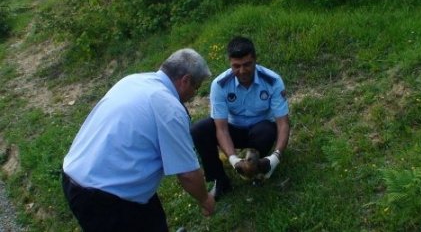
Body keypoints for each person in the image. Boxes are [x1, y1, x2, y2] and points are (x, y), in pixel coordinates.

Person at [62, 48, 215, 231]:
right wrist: (205, 200)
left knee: (152, 217)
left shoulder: (132, 81)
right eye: (196, 87)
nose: (193, 95)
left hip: (74, 177)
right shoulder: (169, 107)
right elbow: (188, 174)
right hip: (105, 199)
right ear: (185, 80)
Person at [190, 36, 290, 200]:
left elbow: (283, 123)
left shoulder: (272, 80)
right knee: (199, 130)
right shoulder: (219, 84)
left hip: (260, 129)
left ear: (255, 60)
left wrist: (276, 156)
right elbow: (221, 128)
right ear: (229, 62)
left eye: (247, 65)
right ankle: (220, 179)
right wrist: (233, 159)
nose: (242, 71)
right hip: (233, 129)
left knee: (267, 130)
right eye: (236, 66)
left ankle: (260, 166)